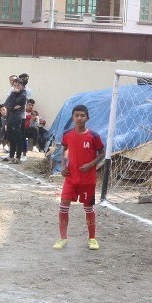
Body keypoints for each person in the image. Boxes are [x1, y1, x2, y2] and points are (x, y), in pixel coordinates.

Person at [53, 104, 105, 250]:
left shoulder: (94, 136)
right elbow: (65, 149)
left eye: (82, 115)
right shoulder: (67, 134)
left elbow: (102, 153)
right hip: (71, 178)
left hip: (87, 180)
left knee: (88, 208)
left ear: (87, 118)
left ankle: (92, 239)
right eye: (76, 115)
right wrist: (63, 165)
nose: (79, 118)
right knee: (63, 206)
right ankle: (63, 238)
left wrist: (91, 164)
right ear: (72, 117)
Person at [1, 78, 27, 163]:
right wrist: (12, 106)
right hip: (10, 118)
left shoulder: (23, 94)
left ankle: (18, 157)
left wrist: (12, 105)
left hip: (17, 119)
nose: (16, 87)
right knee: (11, 139)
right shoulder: (12, 94)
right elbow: (7, 104)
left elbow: (18, 101)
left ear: (22, 86)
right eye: (15, 85)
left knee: (18, 138)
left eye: (18, 85)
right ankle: (11, 156)